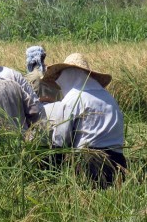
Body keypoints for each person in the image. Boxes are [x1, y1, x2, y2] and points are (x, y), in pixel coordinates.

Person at [42, 53, 127, 188]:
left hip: (91, 164)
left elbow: (61, 139)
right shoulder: (108, 98)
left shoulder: (73, 98)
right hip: (118, 164)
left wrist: (53, 168)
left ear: (68, 76)